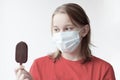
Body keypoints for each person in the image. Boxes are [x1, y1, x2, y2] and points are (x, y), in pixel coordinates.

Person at [15, 3, 116, 80]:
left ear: (84, 31)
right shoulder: (39, 66)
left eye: (68, 28)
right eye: (56, 29)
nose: (61, 35)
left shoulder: (103, 70)